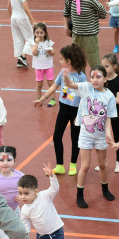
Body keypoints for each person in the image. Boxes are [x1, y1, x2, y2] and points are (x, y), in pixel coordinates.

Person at [59, 65, 118, 209]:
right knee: (84, 166)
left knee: (102, 165)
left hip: (100, 135)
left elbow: (109, 118)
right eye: (92, 77)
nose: (94, 80)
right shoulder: (86, 88)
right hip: (86, 134)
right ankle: (80, 195)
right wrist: (66, 76)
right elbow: (71, 84)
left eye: (98, 77)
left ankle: (105, 189)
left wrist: (109, 134)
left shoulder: (109, 96)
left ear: (105, 78)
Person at [33, 44, 86, 175]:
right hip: (63, 108)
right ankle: (60, 165)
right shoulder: (62, 73)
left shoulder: (81, 77)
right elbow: (54, 87)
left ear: (69, 61)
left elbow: (85, 95)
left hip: (76, 111)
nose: (59, 61)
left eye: (61, 59)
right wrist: (42, 99)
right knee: (57, 136)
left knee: (75, 138)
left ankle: (73, 164)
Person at [63, 0, 108, 70]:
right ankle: (81, 84)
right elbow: (66, 13)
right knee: (78, 64)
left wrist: (92, 18)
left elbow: (103, 13)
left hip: (90, 37)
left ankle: (98, 84)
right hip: (76, 36)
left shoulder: (91, 0)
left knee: (95, 64)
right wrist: (66, 27)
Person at [8, 0, 36, 68]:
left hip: (13, 18)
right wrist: (32, 20)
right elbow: (26, 8)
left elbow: (8, 7)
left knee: (18, 39)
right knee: (30, 38)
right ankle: (23, 56)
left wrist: (11, 17)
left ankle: (19, 59)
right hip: (22, 18)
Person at [26, 23, 54, 104]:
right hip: (38, 67)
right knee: (39, 85)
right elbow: (34, 53)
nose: (39, 35)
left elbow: (53, 53)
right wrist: (37, 43)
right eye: (37, 32)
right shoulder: (32, 42)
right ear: (34, 33)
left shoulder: (49, 42)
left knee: (50, 83)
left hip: (48, 66)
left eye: (41, 33)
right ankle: (39, 99)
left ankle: (52, 100)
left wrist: (50, 51)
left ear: (45, 33)